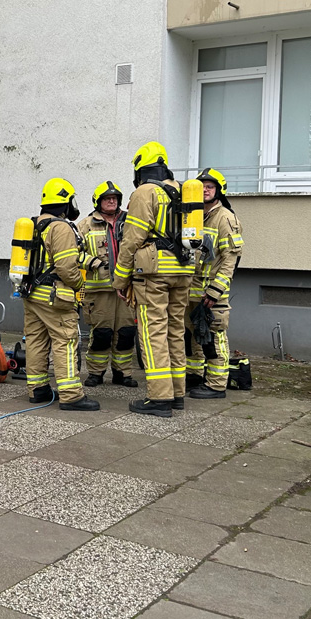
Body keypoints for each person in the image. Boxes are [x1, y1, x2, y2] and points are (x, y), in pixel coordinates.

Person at [112, 141, 195, 418]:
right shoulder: (181, 189)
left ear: (140, 169)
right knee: (175, 331)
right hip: (183, 270)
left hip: (154, 273)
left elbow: (132, 239)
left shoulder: (145, 192)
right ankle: (177, 393)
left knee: (153, 333)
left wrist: (120, 279)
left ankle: (159, 398)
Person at [22, 178, 101, 411]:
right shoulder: (61, 227)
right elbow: (66, 267)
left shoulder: (35, 224)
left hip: (32, 294)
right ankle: (71, 395)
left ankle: (38, 389)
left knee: (35, 340)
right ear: (66, 202)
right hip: (54, 297)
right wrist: (79, 285)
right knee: (65, 340)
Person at [186, 167, 244, 399]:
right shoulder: (194, 216)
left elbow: (231, 258)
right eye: (201, 187)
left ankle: (217, 385)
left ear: (219, 190)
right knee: (192, 336)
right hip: (191, 290)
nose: (205, 190)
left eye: (210, 187)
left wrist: (216, 289)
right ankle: (194, 375)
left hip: (212, 292)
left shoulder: (226, 218)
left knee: (213, 338)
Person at [77, 181, 139, 389]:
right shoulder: (85, 225)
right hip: (99, 290)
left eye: (114, 198)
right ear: (98, 202)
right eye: (107, 198)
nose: (111, 201)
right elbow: (73, 253)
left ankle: (123, 373)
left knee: (126, 333)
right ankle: (96, 373)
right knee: (101, 334)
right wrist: (92, 263)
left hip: (127, 289)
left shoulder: (130, 222)